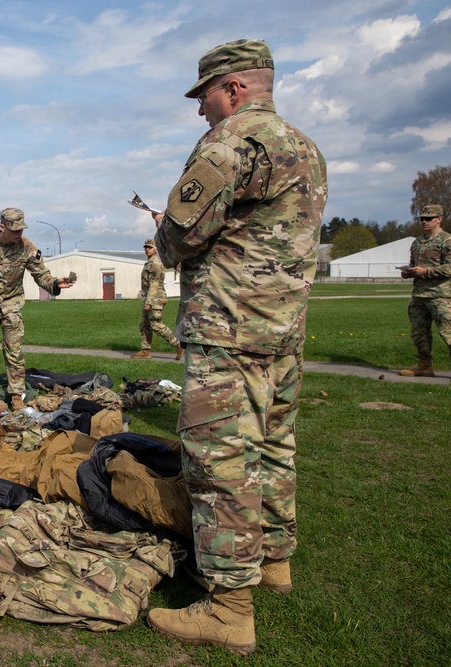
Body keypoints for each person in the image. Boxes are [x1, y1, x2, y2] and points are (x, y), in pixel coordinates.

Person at [145, 39, 328, 655]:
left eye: (206, 97)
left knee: (220, 462)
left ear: (235, 88)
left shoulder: (230, 145)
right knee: (275, 446)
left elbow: (179, 235)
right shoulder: (306, 147)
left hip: (229, 331)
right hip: (284, 333)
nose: (201, 111)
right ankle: (274, 560)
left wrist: (166, 235)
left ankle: (228, 607)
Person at [0, 208, 74, 409]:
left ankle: (16, 396)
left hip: (10, 305)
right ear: (2, 227)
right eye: (14, 231)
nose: (19, 235)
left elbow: (41, 274)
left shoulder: (26, 247)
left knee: (14, 351)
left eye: (21, 230)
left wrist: (56, 283)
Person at [398, 204, 451, 382]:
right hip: (419, 295)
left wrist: (426, 271)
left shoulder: (449, 241)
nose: (424, 221)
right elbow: (414, 264)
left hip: (441, 295)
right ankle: (424, 365)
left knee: (449, 331)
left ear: (439, 219)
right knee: (419, 332)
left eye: (429, 218)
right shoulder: (417, 243)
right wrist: (408, 272)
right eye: (422, 218)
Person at [131, 238, 184, 360]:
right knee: (145, 324)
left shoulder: (155, 264)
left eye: (150, 247)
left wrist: (149, 301)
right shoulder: (149, 263)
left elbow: (154, 284)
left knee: (155, 324)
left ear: (156, 249)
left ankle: (178, 344)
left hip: (155, 298)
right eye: (146, 247)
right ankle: (145, 350)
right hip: (149, 298)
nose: (147, 250)